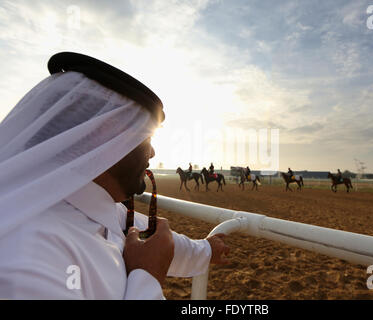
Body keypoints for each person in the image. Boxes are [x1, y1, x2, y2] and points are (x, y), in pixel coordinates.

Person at [0, 52, 230, 299]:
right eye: (146, 138)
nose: (152, 151)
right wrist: (147, 277)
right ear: (105, 138)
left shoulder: (94, 205)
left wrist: (206, 250)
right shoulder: (26, 264)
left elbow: (152, 236)